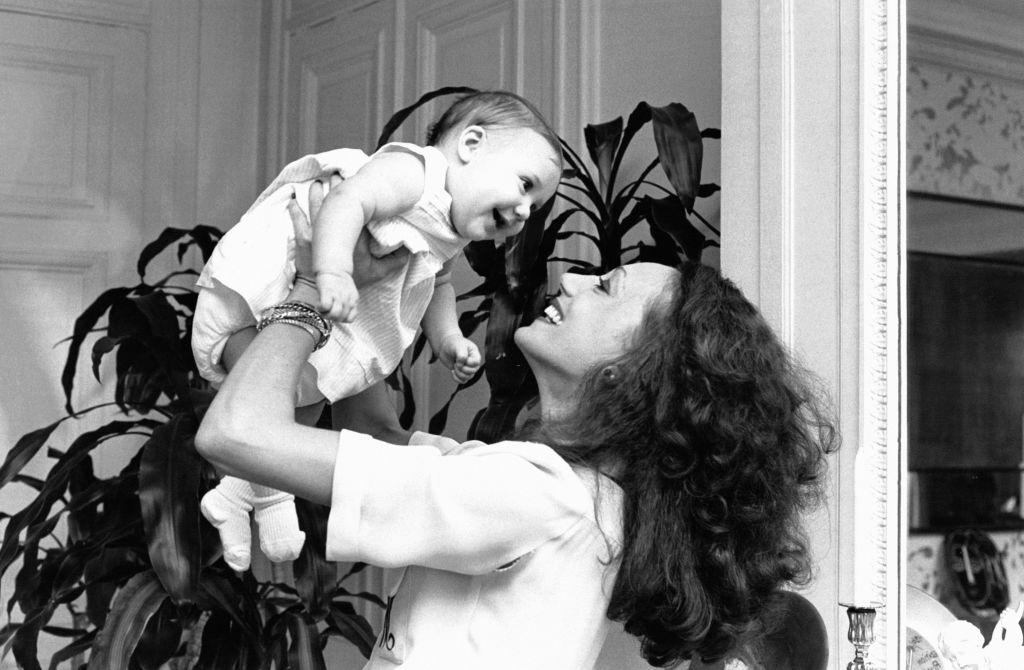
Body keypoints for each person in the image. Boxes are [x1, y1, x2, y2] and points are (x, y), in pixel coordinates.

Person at [195, 178, 838, 668]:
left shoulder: (534, 497)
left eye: (607, 288)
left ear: (631, 370)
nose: (574, 279)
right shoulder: (576, 497)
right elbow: (378, 439)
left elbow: (234, 434)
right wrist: (380, 295)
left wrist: (313, 285)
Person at [191, 91, 563, 571]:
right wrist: (328, 274)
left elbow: (438, 282)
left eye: (536, 204)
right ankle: (267, 499)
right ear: (470, 143)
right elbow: (347, 202)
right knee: (281, 407)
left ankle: (234, 499)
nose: (526, 210)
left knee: (301, 397)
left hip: (313, 310)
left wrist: (448, 338)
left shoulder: (447, 230)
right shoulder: (415, 174)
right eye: (526, 184)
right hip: (263, 293)